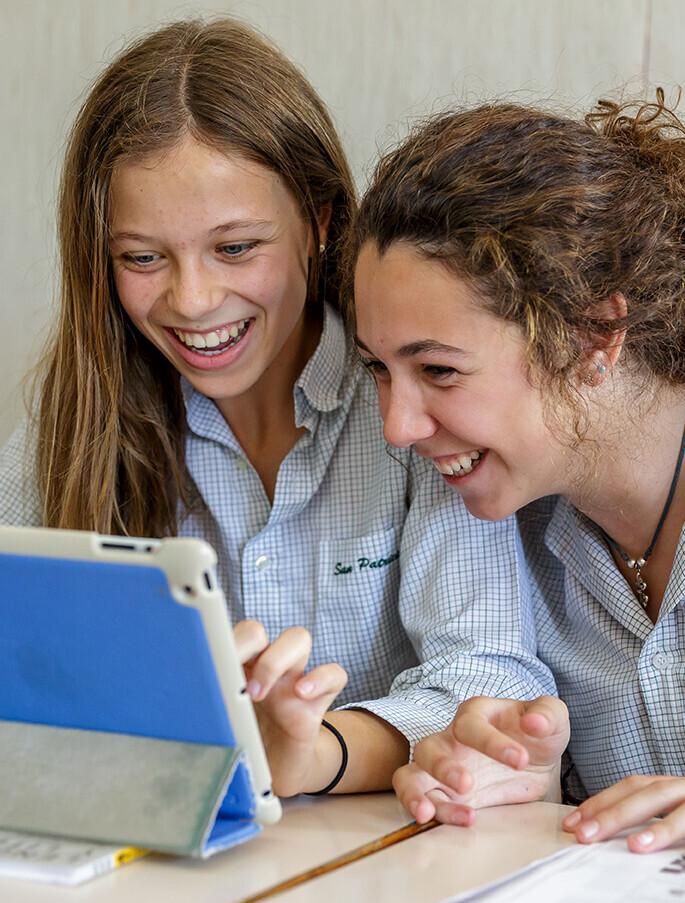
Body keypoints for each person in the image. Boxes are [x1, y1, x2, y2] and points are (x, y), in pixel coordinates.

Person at [0, 19, 553, 800]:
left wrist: (316, 750)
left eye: (235, 248)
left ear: (319, 223)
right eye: (143, 257)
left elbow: (488, 679)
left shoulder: (413, 408)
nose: (193, 300)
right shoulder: (80, 415)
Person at [350, 91, 685, 851]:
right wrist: (519, 786)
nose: (397, 427)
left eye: (438, 370)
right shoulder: (504, 531)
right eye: (377, 369)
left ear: (593, 335)